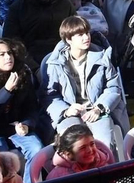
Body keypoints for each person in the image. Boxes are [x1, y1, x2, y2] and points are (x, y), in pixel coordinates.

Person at [43, 16, 123, 152]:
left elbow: (113, 86)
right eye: (80, 35)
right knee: (73, 146)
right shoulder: (55, 63)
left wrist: (99, 107)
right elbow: (49, 95)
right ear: (68, 40)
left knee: (104, 144)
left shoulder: (101, 56)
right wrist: (66, 111)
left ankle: (105, 171)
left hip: (97, 110)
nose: (86, 37)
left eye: (87, 33)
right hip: (70, 113)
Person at [0, 37, 44, 165]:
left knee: (36, 149)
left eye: (10, 53)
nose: (8, 57)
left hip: (17, 127)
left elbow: (32, 107)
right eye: (2, 54)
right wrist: (6, 90)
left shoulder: (22, 73)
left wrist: (27, 124)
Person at [3, 0, 78, 62]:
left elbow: (77, 31)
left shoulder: (65, 5)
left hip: (66, 57)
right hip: (33, 60)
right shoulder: (17, 9)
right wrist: (34, 68)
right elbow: (12, 42)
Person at [28, 123, 117, 182]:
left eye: (92, 144)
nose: (89, 150)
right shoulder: (58, 176)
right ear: (68, 153)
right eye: (82, 148)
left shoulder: (102, 163)